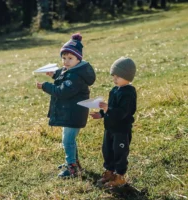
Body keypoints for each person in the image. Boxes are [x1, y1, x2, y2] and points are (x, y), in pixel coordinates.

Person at [36, 33, 96, 178]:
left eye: (70, 58)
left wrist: (45, 86)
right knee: (69, 139)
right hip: (71, 112)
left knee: (67, 140)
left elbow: (62, 91)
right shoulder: (73, 71)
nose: (66, 62)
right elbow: (63, 74)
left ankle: (72, 169)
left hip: (73, 113)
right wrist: (54, 74)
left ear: (78, 58)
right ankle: (74, 163)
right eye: (64, 58)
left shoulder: (76, 77)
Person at [90, 57, 137, 187]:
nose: (115, 79)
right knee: (107, 150)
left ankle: (120, 176)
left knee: (119, 153)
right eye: (114, 76)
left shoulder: (129, 93)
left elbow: (122, 112)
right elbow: (110, 109)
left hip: (121, 130)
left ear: (127, 76)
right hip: (110, 128)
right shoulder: (114, 90)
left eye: (118, 76)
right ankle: (110, 171)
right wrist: (101, 114)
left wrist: (107, 108)